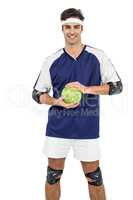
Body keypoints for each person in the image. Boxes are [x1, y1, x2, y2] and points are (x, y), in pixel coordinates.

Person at [32, 8, 123, 200]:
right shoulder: (52, 60)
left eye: (75, 26)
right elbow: (37, 94)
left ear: (82, 28)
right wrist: (56, 101)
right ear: (62, 29)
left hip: (87, 128)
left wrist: (86, 89)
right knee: (52, 177)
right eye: (67, 27)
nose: (71, 31)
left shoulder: (98, 56)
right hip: (58, 128)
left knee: (94, 177)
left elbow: (117, 87)